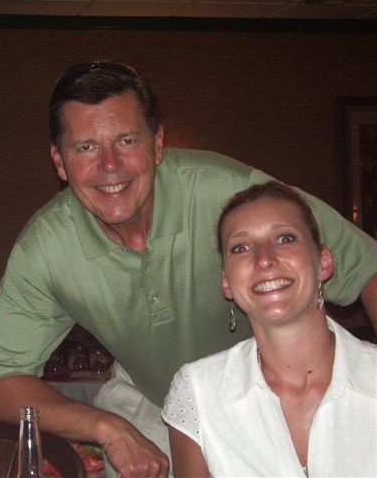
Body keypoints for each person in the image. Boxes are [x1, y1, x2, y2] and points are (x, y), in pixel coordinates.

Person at [0, 61, 377, 477]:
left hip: (279, 386)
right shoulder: (46, 248)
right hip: (155, 399)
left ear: (158, 143)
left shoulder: (226, 192)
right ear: (59, 161)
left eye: (127, 140)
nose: (110, 164)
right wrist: (104, 427)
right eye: (87, 147)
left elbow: (367, 265)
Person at [162, 181, 377, 477]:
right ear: (227, 282)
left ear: (323, 262)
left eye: (285, 239)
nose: (264, 258)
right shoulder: (198, 393)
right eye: (241, 247)